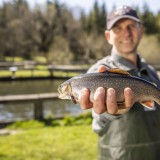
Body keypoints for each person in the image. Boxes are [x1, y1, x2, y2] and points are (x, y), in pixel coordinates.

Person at [78, 5, 160, 160]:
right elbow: (97, 124)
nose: (126, 33)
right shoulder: (97, 73)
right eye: (118, 28)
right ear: (108, 36)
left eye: (131, 26)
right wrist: (109, 114)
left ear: (141, 31)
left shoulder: (151, 73)